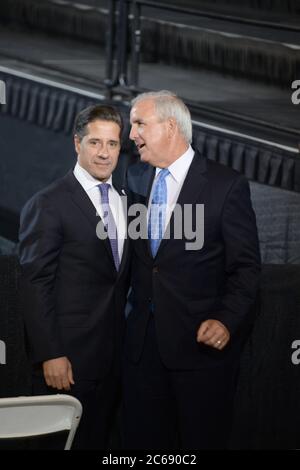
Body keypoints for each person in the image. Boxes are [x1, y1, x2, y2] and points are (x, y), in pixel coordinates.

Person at [122, 91, 261, 449]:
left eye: (139, 123)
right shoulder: (135, 176)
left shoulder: (225, 185)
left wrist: (226, 320)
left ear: (170, 127)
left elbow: (245, 270)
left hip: (200, 356)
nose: (131, 133)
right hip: (141, 352)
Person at [19, 104, 131, 450]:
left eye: (112, 144)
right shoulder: (49, 203)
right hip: (67, 363)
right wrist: (50, 353)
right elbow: (35, 282)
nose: (104, 153)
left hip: (117, 363)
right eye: (95, 143)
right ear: (76, 143)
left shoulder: (128, 201)